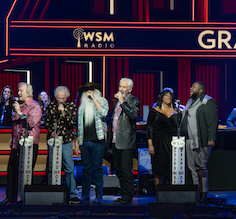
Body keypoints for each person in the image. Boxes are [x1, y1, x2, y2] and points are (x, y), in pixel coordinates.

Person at [0, 82, 42, 204]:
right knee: (11, 171)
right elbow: (13, 123)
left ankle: (25, 199)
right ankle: (10, 198)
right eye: (18, 91)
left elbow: (31, 123)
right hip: (16, 144)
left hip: (29, 145)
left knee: (25, 173)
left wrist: (20, 113)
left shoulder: (35, 106)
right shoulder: (18, 105)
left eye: (21, 91)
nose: (18, 93)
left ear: (28, 92)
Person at [178, 81, 218, 200]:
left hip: (201, 139)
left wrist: (211, 138)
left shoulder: (207, 101)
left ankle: (204, 192)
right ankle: (196, 191)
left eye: (193, 87)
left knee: (200, 166)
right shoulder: (190, 102)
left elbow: (212, 121)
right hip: (189, 139)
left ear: (200, 90)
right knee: (192, 167)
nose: (190, 88)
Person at [44, 86, 79, 203]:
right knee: (52, 167)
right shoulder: (50, 106)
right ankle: (52, 191)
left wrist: (63, 112)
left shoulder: (71, 106)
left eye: (63, 98)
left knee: (69, 168)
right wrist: (51, 131)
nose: (61, 100)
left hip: (66, 141)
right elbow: (47, 122)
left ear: (67, 97)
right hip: (53, 141)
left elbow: (72, 122)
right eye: (59, 98)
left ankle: (72, 193)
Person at [110, 77, 141, 205]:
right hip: (115, 139)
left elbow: (133, 115)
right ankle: (123, 193)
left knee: (126, 169)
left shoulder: (134, 101)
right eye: (120, 86)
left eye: (123, 87)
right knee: (117, 168)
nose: (121, 89)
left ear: (130, 89)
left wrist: (123, 102)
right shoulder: (116, 101)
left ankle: (128, 196)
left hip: (126, 140)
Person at [76, 82, 109, 204]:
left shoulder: (102, 101)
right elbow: (79, 126)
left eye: (92, 90)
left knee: (97, 169)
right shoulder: (81, 106)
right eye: (86, 90)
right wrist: (78, 142)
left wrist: (95, 99)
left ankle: (99, 195)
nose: (89, 92)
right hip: (85, 142)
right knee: (86, 169)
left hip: (98, 141)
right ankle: (85, 196)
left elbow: (104, 113)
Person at [147, 88, 181, 185]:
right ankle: (158, 190)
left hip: (172, 142)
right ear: (161, 97)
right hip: (158, 141)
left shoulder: (177, 112)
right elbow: (150, 128)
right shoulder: (155, 111)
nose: (168, 97)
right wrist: (150, 145)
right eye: (166, 95)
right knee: (159, 166)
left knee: (172, 166)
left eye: (170, 95)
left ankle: (171, 190)